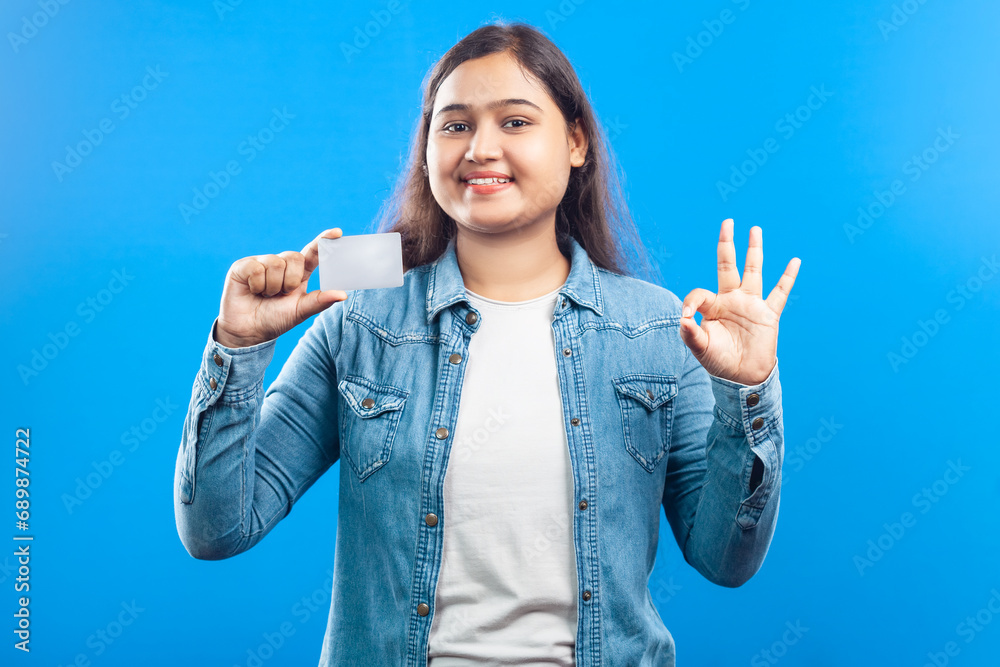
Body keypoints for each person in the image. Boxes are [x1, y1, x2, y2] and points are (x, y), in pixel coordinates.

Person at [173, 20, 800, 667]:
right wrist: (237, 347)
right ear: (426, 151)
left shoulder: (653, 325)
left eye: (516, 122)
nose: (479, 148)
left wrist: (746, 391)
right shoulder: (361, 317)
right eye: (454, 125)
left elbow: (726, 560)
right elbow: (217, 529)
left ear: (576, 141)